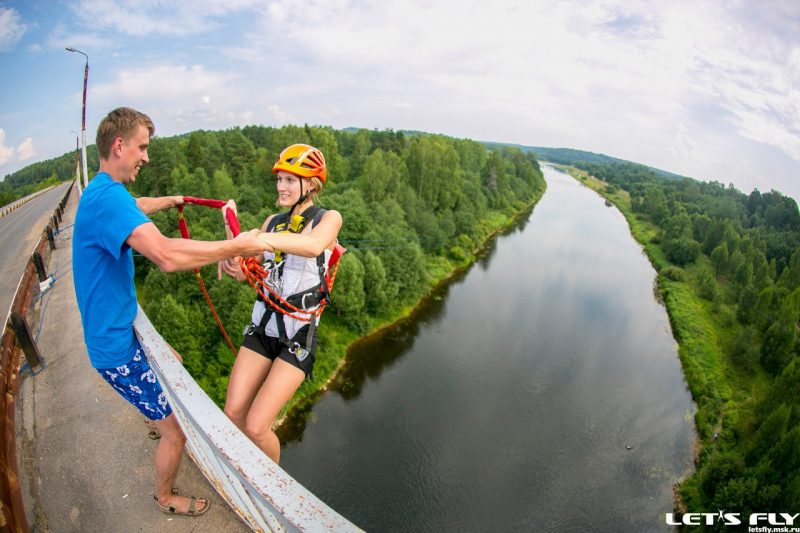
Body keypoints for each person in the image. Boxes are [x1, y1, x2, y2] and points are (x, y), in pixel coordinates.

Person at [72, 107, 272, 517]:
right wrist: (236, 247)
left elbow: (135, 205)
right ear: (119, 145)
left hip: (118, 331)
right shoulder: (108, 198)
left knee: (174, 361)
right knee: (176, 432)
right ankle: (165, 498)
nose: (146, 157)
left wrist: (172, 201)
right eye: (142, 147)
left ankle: (153, 415)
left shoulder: (101, 191)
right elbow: (164, 254)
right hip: (116, 349)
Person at [219, 143, 342, 463]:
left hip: (298, 335)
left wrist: (257, 240)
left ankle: (273, 488)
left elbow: (313, 246)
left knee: (258, 427)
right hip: (263, 325)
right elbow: (250, 272)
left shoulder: (328, 219)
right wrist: (234, 256)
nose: (281, 186)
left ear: (311, 184)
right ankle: (241, 470)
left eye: (290, 180)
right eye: (280, 179)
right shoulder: (272, 222)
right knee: (233, 413)